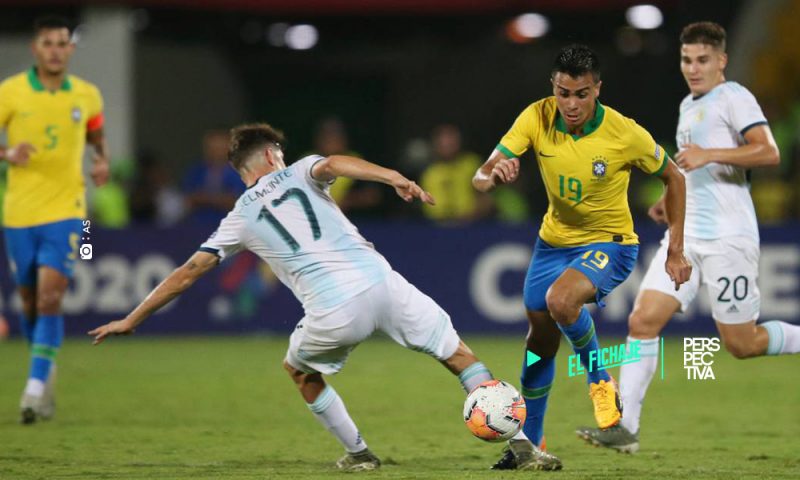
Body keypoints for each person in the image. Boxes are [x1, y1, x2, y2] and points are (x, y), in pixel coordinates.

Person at [88, 123, 552, 471]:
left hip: (335, 308)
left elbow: (189, 272)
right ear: (270, 155)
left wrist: (132, 319)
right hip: (384, 282)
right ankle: (522, 447)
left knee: (299, 370)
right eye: (279, 152)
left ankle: (360, 454)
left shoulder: (239, 217)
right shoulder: (300, 169)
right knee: (460, 356)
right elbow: (333, 164)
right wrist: (393, 176)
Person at [576, 21, 798, 453]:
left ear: (721, 61)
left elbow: (768, 151)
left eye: (702, 60)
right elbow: (693, 170)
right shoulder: (687, 105)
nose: (693, 68)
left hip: (729, 239)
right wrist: (669, 199)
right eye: (686, 60)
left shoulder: (734, 96)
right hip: (687, 236)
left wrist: (709, 153)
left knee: (742, 343)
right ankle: (625, 429)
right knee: (642, 320)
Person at [472, 44, 692, 470]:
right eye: (563, 93)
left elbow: (674, 177)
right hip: (551, 245)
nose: (571, 104)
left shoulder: (624, 133)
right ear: (553, 87)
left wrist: (676, 250)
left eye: (581, 94)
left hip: (610, 244)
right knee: (538, 346)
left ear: (597, 89)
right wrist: (494, 175)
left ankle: (601, 385)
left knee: (561, 300)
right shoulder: (536, 116)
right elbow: (481, 175)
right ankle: (529, 445)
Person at [0, 15, 109, 424]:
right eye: (48, 43)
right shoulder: (10, 92)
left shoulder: (87, 95)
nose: (55, 51)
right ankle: (45, 368)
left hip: (69, 211)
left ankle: (33, 389)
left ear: (71, 49)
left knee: (50, 297)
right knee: (29, 300)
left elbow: (96, 135)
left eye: (62, 43)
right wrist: (7, 154)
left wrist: (101, 160)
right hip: (18, 212)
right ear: (35, 48)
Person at [419, 124, 492, 223]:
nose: (447, 145)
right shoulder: (430, 172)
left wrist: (472, 215)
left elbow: (486, 196)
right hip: (437, 225)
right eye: (443, 142)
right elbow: (425, 204)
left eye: (451, 141)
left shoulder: (471, 164)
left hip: (472, 224)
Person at [182, 129, 244, 224]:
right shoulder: (196, 171)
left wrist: (207, 198)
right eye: (212, 148)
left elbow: (242, 203)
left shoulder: (242, 173)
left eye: (220, 148)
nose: (216, 153)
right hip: (198, 225)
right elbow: (187, 200)